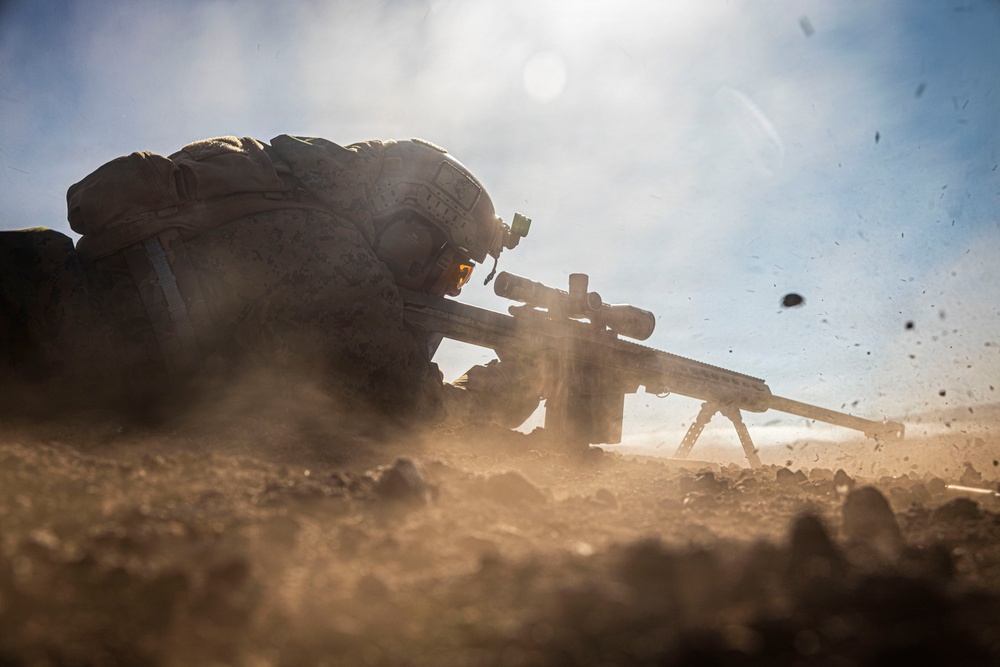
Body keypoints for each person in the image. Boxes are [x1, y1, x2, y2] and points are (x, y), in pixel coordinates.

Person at [0, 135, 541, 434]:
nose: (449, 289)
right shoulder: (338, 261)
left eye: (464, 275)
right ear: (409, 236)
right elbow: (416, 415)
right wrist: (527, 376)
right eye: (453, 268)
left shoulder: (292, 206)